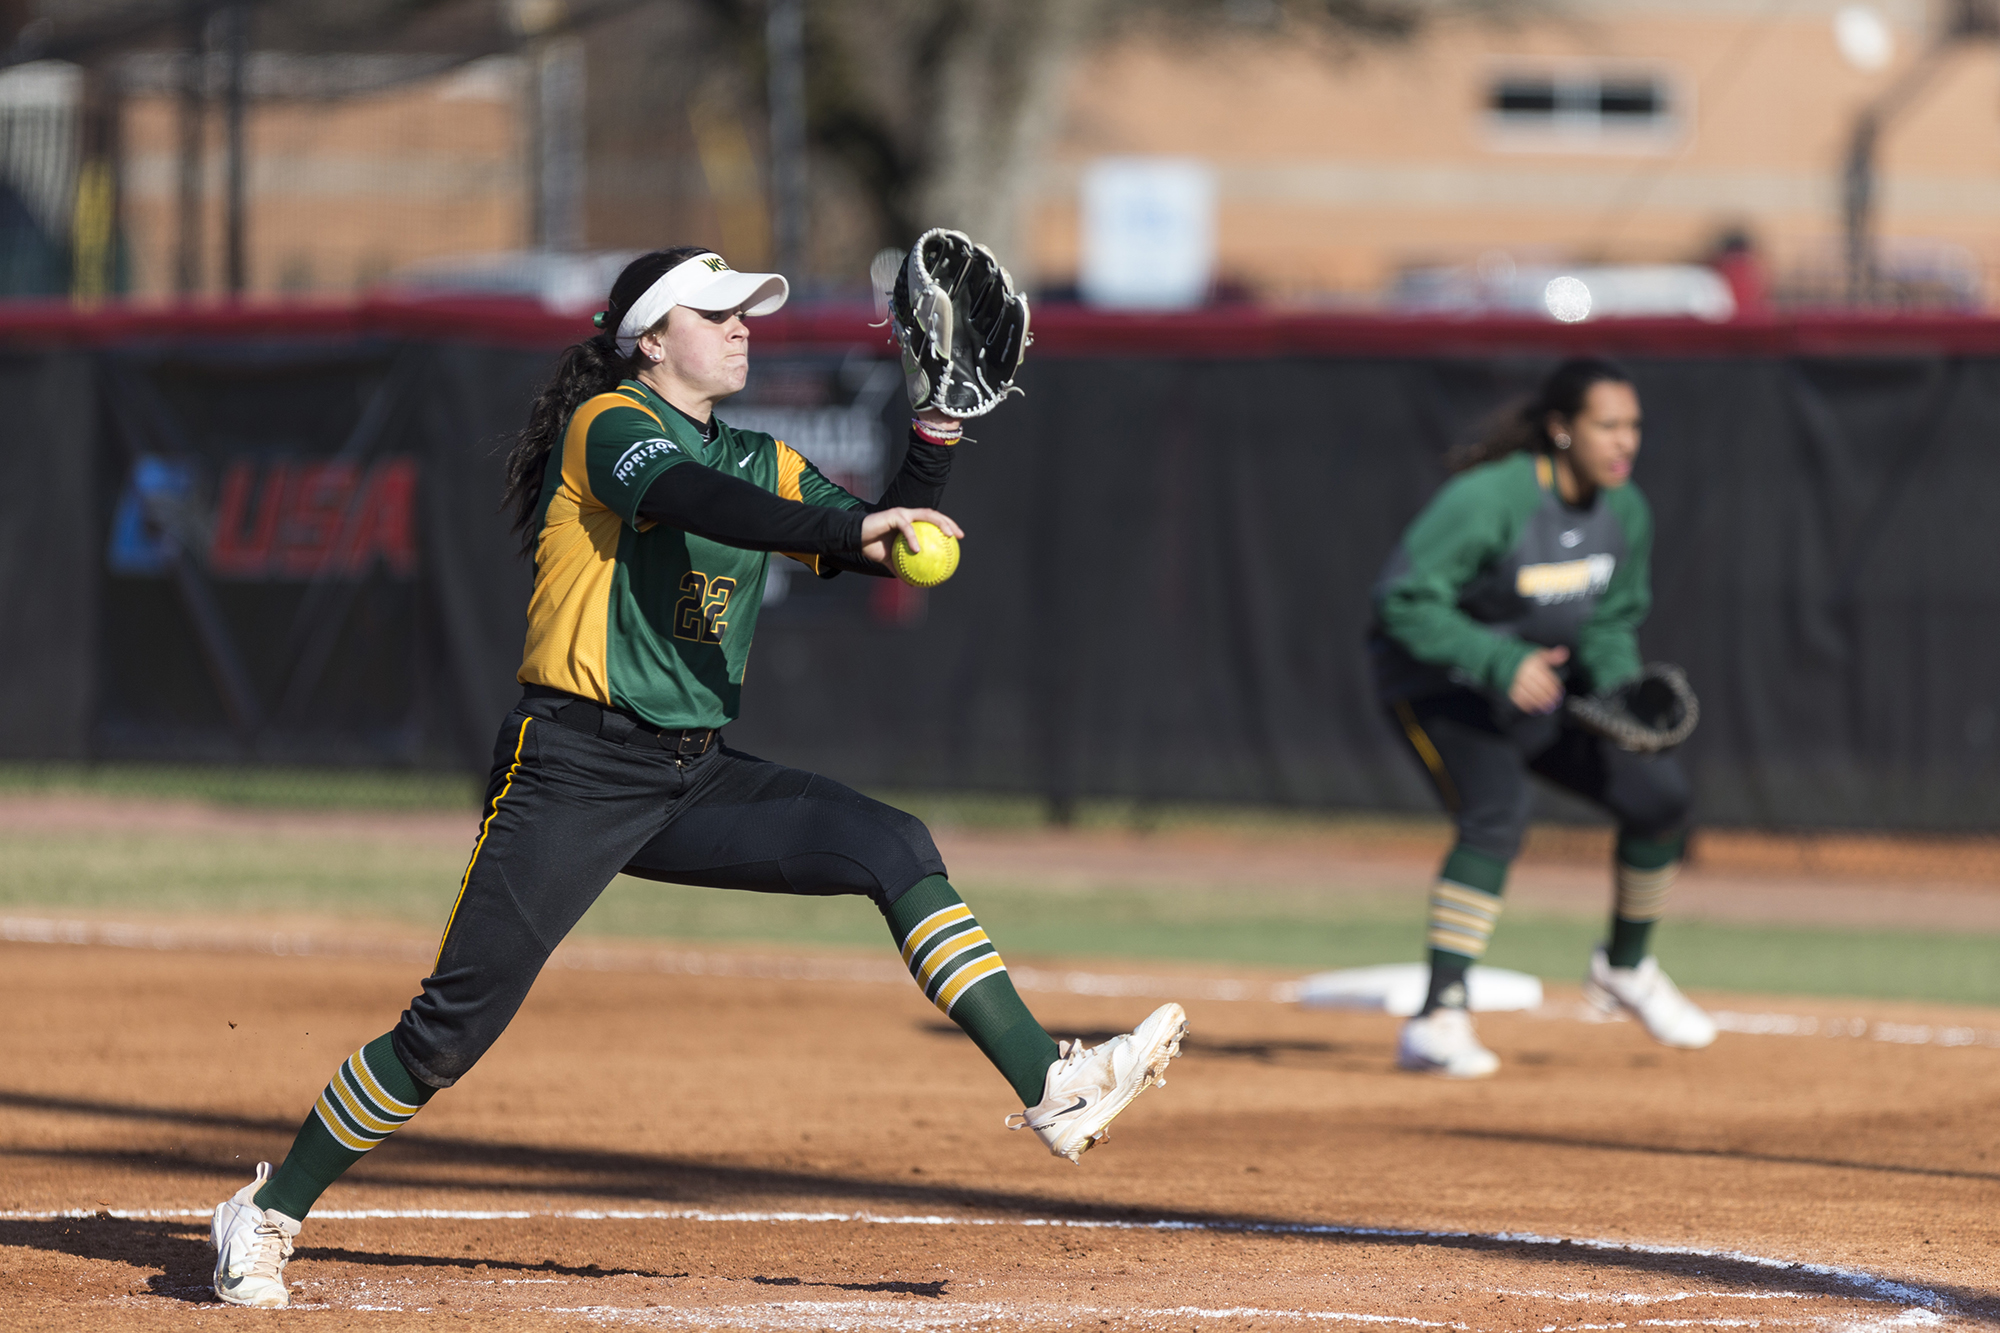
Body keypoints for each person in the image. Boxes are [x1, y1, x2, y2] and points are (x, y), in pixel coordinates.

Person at [207, 247, 1187, 1308]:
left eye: (745, 311)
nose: (740, 326)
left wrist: (936, 431)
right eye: (713, 311)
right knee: (448, 1030)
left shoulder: (759, 459)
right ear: (649, 338)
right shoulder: (612, 428)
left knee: (891, 844)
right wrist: (851, 524)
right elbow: (692, 499)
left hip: (691, 774)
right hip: (571, 769)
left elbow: (882, 546)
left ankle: (1048, 1081)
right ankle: (267, 1209)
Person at [1368, 356, 1714, 1079]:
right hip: (1442, 686)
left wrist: (1620, 690)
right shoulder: (1489, 500)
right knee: (1497, 810)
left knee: (1661, 798)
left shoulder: (1625, 511)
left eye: (1634, 426)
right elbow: (1401, 601)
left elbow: (1610, 620)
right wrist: (1497, 660)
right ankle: (1438, 1015)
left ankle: (1626, 967)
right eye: (1607, 426)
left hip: (1544, 688)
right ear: (1560, 430)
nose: (1625, 442)